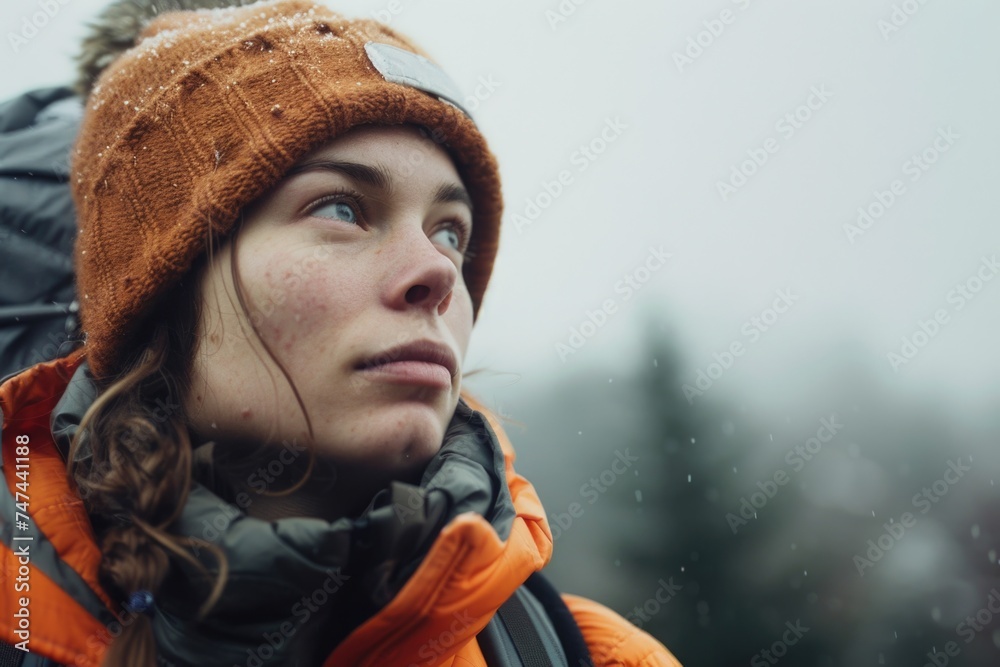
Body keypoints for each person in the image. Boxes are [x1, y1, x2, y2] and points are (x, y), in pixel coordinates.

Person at [0, 1, 684, 665]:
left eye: (451, 231)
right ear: (161, 290)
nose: (438, 274)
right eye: (342, 208)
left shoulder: (596, 655)